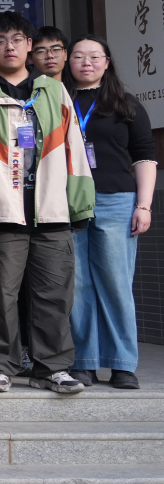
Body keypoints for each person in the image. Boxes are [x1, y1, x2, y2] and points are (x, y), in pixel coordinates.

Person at [0, 12, 95, 395]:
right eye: (0, 40)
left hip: (52, 209)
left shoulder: (53, 90)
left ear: (29, 45)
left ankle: (52, 367)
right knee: (0, 296)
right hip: (0, 213)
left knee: (55, 294)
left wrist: (79, 205)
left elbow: (75, 149)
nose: (10, 46)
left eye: (17, 39)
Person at [65, 35, 156, 389]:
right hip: (69, 201)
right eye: (78, 56)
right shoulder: (61, 100)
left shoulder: (125, 104)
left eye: (94, 56)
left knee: (116, 282)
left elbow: (144, 156)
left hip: (117, 199)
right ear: (69, 62)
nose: (86, 62)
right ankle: (84, 362)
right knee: (77, 283)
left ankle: (122, 364)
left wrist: (144, 205)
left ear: (106, 62)